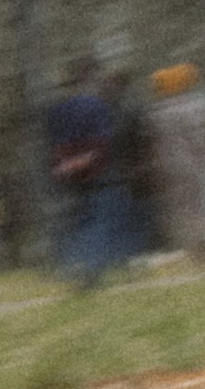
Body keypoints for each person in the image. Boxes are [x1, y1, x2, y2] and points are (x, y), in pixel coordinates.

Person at [44, 73, 139, 287]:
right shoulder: (97, 105)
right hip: (99, 169)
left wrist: (64, 167)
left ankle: (72, 266)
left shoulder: (57, 110)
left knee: (83, 220)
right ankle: (93, 269)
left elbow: (53, 142)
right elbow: (105, 139)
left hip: (70, 172)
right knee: (103, 219)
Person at [147, 61, 205, 260]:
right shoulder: (194, 107)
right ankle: (201, 251)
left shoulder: (157, 112)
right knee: (197, 208)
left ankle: (186, 250)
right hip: (192, 166)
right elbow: (203, 139)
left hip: (166, 169)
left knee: (176, 211)